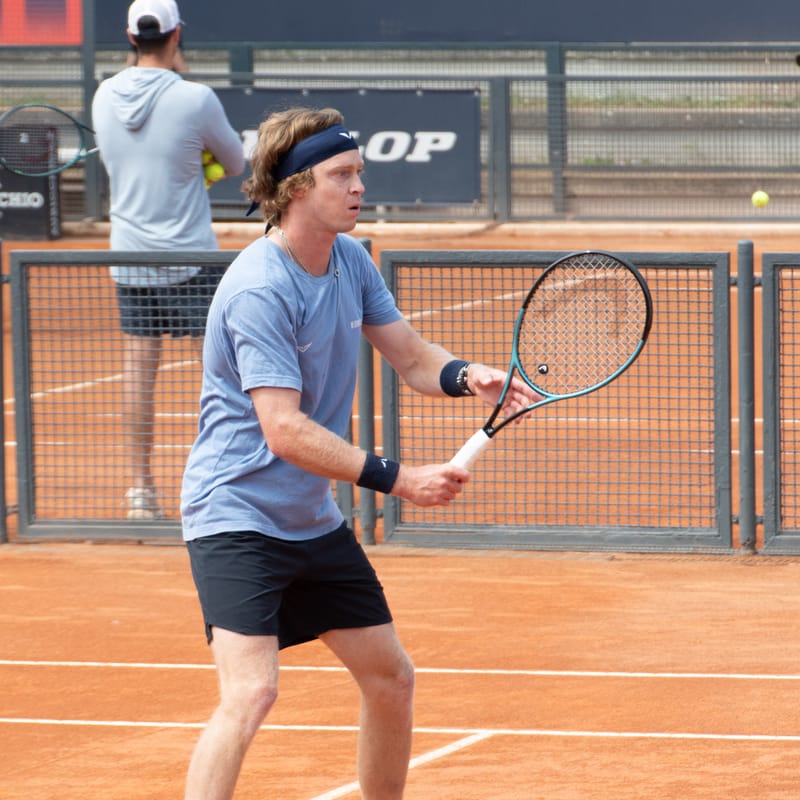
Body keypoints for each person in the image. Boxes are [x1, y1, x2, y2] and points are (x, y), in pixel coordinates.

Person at [179, 106, 537, 800]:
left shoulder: (348, 259)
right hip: (236, 516)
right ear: (294, 189)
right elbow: (283, 429)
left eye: (359, 173)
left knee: (390, 678)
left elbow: (409, 356)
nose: (357, 187)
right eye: (340, 174)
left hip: (308, 519)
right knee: (250, 693)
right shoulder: (259, 287)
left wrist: (469, 376)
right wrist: (402, 480)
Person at [92, 0, 245, 520]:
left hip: (130, 256)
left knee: (139, 369)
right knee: (223, 372)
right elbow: (235, 162)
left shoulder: (102, 95)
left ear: (131, 37)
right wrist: (200, 166)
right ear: (177, 34)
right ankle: (224, 486)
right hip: (192, 258)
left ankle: (140, 491)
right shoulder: (194, 98)